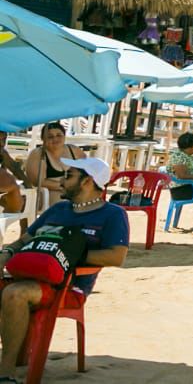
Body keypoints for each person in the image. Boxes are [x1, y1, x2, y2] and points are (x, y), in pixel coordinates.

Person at [0, 157, 129, 381]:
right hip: (29, 273)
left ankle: (6, 372)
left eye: (68, 176)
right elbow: (24, 240)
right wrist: (7, 253)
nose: (61, 180)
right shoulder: (59, 209)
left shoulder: (112, 214)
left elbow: (116, 256)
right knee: (12, 289)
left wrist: (67, 256)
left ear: (87, 181)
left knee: (14, 294)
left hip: (69, 286)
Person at [23, 122, 85, 201]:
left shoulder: (74, 150)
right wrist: (64, 186)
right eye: (50, 137)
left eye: (59, 135)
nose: (55, 139)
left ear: (64, 136)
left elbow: (87, 171)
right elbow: (37, 182)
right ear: (43, 139)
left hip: (74, 192)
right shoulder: (38, 154)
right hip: (48, 196)